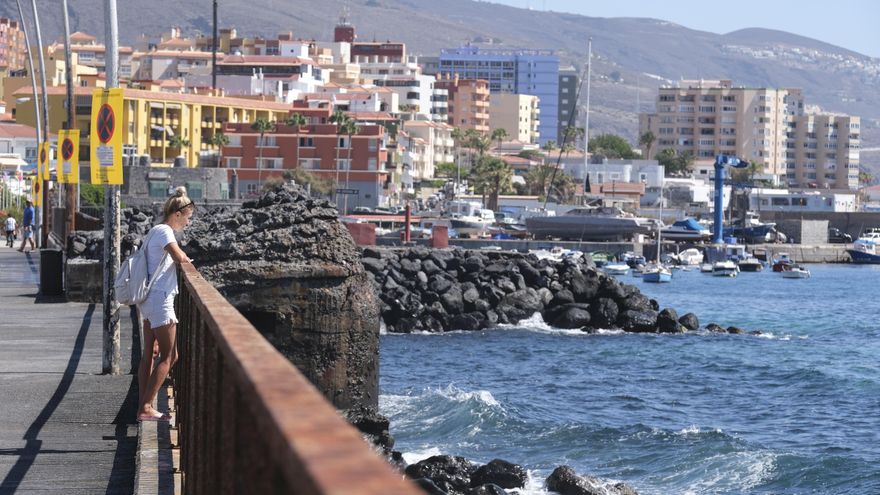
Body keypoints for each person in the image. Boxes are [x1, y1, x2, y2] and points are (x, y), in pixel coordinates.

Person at [136, 187, 194, 422]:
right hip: (160, 300)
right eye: (188, 218)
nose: (188, 223)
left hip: (150, 299)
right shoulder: (165, 232)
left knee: (150, 352)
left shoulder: (155, 231)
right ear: (178, 213)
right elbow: (179, 257)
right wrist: (188, 260)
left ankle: (142, 404)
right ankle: (147, 406)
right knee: (171, 355)